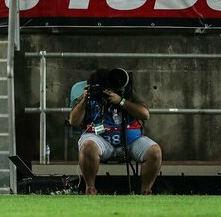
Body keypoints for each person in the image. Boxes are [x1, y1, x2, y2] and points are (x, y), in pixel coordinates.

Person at [69, 67, 162, 195]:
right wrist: (84, 98)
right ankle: (90, 188)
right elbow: (73, 121)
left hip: (130, 142)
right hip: (100, 141)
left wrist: (120, 101)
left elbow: (145, 114)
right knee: (87, 146)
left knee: (154, 152)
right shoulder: (90, 96)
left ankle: (146, 191)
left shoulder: (126, 94)